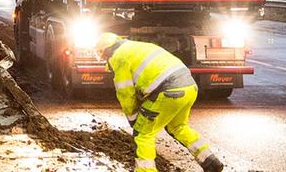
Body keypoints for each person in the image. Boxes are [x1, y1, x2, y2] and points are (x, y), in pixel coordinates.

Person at [96, 33, 224, 172]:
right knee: (178, 127)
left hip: (167, 91)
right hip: (189, 86)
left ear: (107, 51)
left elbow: (125, 93)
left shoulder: (118, 58)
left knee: (143, 133)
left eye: (103, 56)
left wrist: (133, 119)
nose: (105, 60)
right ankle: (210, 161)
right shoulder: (139, 47)